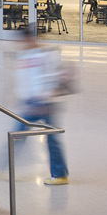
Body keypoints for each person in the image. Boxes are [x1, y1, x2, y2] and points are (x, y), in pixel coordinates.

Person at [14, 28, 68, 184]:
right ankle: (2, 167)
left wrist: (45, 99)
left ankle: (60, 175)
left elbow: (53, 78)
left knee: (50, 139)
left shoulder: (45, 55)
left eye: (25, 40)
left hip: (44, 103)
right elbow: (24, 80)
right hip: (31, 102)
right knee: (17, 134)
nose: (22, 43)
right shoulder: (25, 56)